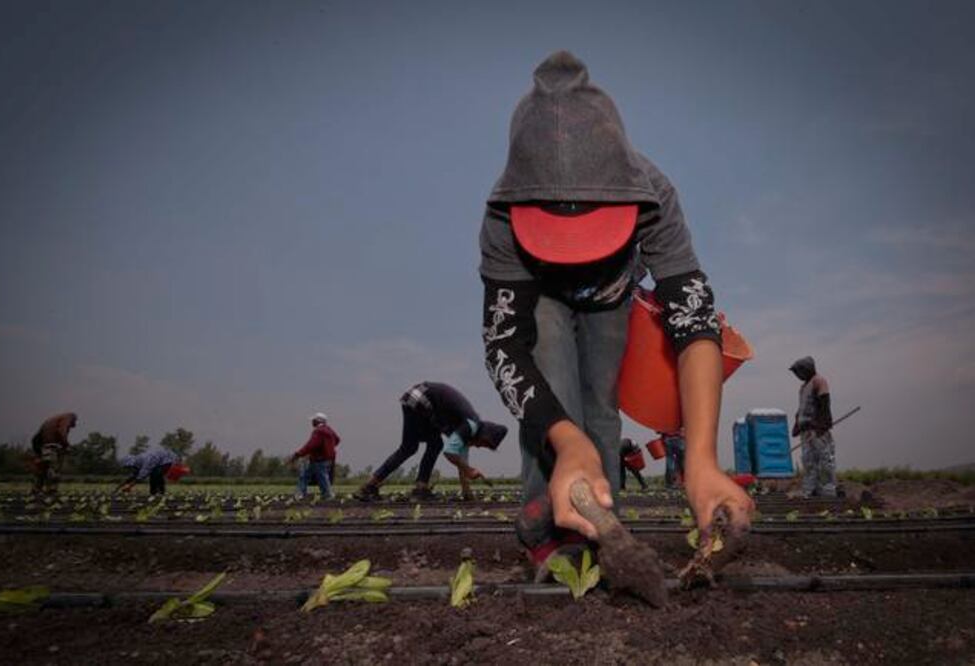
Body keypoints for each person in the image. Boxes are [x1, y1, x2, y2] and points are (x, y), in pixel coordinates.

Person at [479, 51, 754, 565]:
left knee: (602, 407)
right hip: (542, 298)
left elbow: (693, 322)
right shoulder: (500, 218)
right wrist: (566, 440)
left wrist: (701, 461)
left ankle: (603, 522)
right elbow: (503, 345)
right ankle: (548, 521)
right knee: (556, 386)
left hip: (612, 298)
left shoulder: (654, 193)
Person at [353, 382, 508, 501]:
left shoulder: (468, 431)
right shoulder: (471, 425)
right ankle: (372, 486)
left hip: (425, 405)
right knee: (412, 447)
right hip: (421, 399)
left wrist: (467, 492)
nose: (480, 447)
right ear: (484, 435)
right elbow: (450, 452)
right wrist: (468, 469)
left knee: (429, 445)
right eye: (484, 444)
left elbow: (461, 462)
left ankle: (416, 489)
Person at [790, 356, 836, 497]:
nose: (798, 375)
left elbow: (824, 403)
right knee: (808, 460)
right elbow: (802, 408)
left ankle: (827, 489)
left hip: (817, 429)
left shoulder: (819, 381)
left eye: (799, 372)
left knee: (824, 458)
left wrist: (824, 424)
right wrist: (797, 424)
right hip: (806, 430)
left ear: (807, 369)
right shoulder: (803, 387)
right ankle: (810, 489)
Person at [288, 412, 340, 500]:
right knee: (305, 475)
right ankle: (300, 494)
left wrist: (297, 454)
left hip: (319, 459)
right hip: (327, 459)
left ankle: (328, 495)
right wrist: (328, 447)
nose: (312, 422)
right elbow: (337, 440)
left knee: (321, 477)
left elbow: (311, 445)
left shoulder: (318, 431)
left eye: (313, 420)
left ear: (317, 421)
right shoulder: (329, 430)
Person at [30, 412, 78, 495]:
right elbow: (61, 431)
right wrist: (66, 445)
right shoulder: (67, 418)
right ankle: (51, 490)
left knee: (42, 469)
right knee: (54, 468)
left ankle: (36, 489)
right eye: (74, 421)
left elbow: (35, 438)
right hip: (53, 447)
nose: (74, 424)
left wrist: (38, 453)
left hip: (43, 447)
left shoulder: (50, 421)